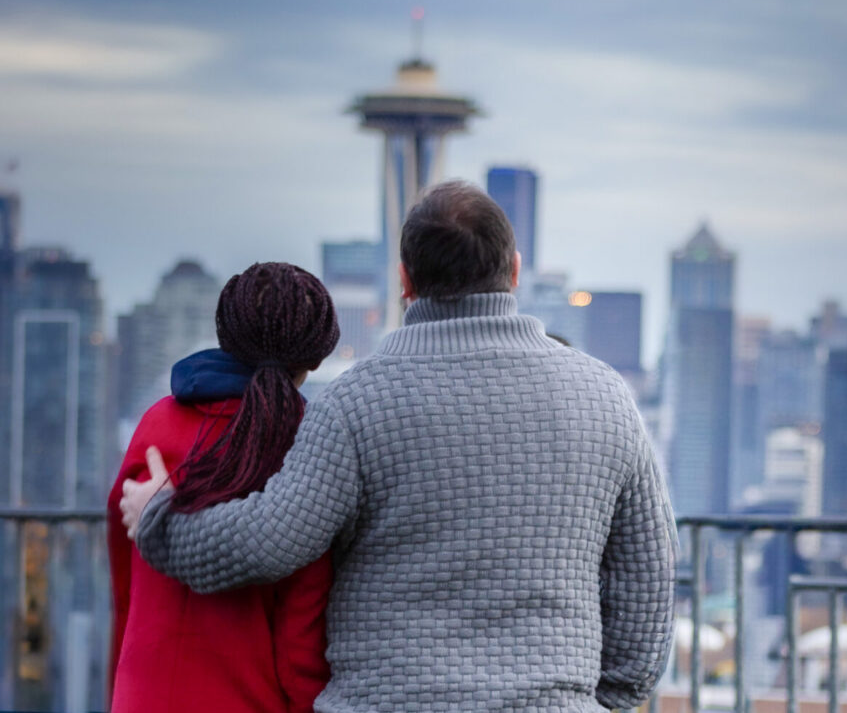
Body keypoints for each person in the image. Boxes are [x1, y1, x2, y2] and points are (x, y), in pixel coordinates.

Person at [122, 180, 676, 712]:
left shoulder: (355, 403)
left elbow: (268, 543)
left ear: (404, 281)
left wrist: (161, 521)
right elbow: (647, 588)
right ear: (514, 271)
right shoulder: (606, 397)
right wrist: (586, 697)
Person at [107, 262, 340, 712]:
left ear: (227, 335)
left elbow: (124, 583)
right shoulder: (309, 443)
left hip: (141, 695)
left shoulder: (157, 423)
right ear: (314, 357)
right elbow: (301, 636)